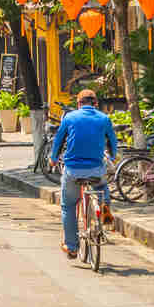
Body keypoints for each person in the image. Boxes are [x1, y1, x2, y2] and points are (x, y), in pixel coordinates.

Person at [50, 89, 118, 259]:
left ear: (79, 104)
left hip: (73, 170)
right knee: (102, 187)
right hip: (96, 169)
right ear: (95, 104)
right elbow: (112, 141)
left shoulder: (70, 118)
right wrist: (113, 156)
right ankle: (105, 209)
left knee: (68, 206)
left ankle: (72, 247)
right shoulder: (104, 118)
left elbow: (58, 140)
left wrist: (53, 159)